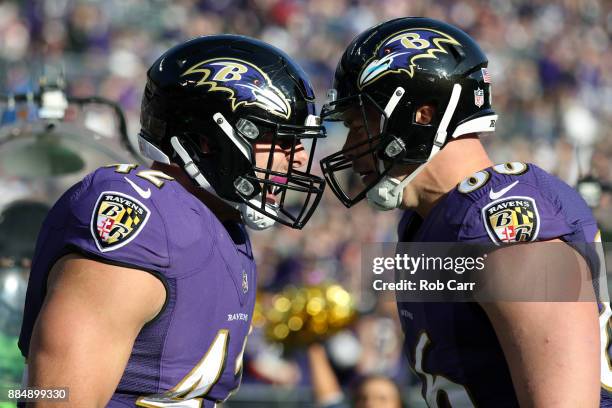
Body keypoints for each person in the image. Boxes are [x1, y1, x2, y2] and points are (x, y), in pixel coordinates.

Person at [18, 34, 326, 407]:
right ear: (208, 140)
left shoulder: (223, 228)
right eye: (280, 140)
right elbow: (55, 400)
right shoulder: (146, 216)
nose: (296, 159)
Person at [319, 17, 609, 407]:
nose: (350, 145)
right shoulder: (428, 220)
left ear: (422, 115)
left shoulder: (501, 221)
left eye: (359, 124)